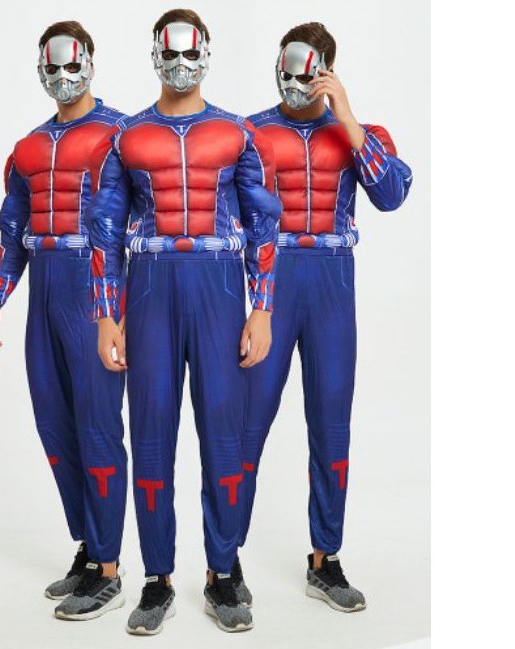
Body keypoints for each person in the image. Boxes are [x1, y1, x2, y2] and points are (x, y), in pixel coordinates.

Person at [87, 8, 281, 635]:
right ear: (154, 55)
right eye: (168, 52)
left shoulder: (236, 132)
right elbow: (105, 231)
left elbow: (264, 225)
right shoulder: (127, 136)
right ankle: (157, 577)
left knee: (223, 434)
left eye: (189, 52)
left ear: (206, 54)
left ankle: (222, 572)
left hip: (220, 288)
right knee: (151, 434)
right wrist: (106, 315)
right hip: (149, 290)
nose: (179, 63)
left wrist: (262, 307)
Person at [240, 22, 413, 612]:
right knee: (246, 424)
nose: (292, 80)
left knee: (331, 427)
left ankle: (325, 559)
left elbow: (391, 195)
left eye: (306, 71)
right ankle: (225, 560)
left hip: (333, 279)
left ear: (327, 73)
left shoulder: (359, 134)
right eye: (284, 67)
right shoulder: (251, 132)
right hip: (272, 282)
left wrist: (348, 117)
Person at [0, 20, 129, 621]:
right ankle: (88, 547)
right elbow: (12, 231)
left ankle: (110, 568)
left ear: (90, 63)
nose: (63, 76)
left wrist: (121, 309)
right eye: (53, 67)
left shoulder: (121, 135)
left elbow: (139, 224)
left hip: (95, 293)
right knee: (55, 428)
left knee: (98, 427)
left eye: (72, 64)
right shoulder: (28, 148)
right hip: (43, 288)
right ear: (41, 70)